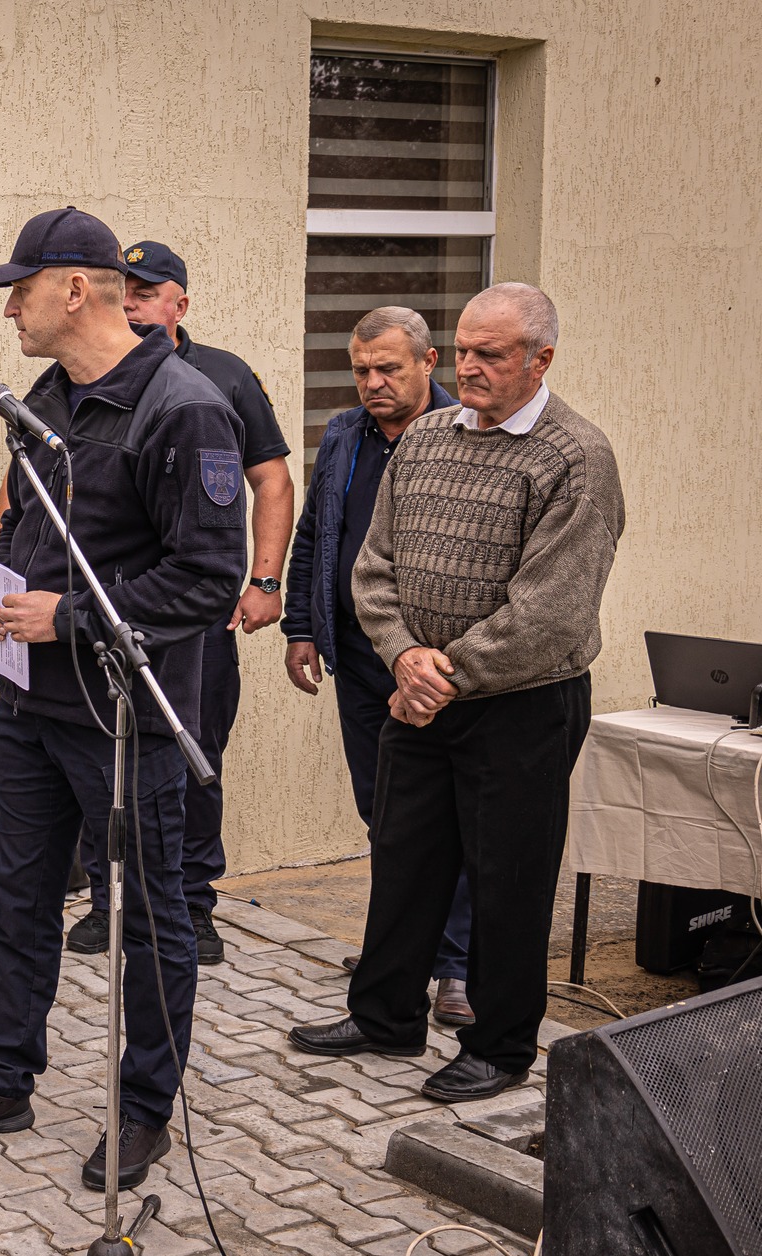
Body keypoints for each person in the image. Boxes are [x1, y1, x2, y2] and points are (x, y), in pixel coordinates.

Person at [0, 207, 244, 1191]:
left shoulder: (181, 409)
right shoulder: (43, 399)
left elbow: (206, 580)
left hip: (126, 721)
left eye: (19, 286)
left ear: (74, 288)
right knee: (16, 899)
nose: (7, 305)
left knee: (148, 918)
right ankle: (1, 1075)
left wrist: (66, 621)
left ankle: (144, 1107)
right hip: (28, 713)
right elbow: (29, 532)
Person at [288, 284, 624, 1102]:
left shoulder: (575, 456)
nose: (468, 367)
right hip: (419, 692)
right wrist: (405, 657)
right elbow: (374, 567)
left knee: (508, 874)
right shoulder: (429, 437)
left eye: (491, 355)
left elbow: (552, 610)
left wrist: (444, 675)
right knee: (405, 857)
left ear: (540, 360)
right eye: (464, 349)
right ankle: (385, 1014)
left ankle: (503, 1045)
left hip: (521, 703)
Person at [60, 241, 293, 967]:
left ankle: (192, 903)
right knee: (102, 756)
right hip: (104, 614)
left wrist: (264, 581)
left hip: (190, 617)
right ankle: (107, 898)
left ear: (180, 303)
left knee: (195, 755)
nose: (131, 302)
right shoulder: (82, 376)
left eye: (147, 290)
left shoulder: (220, 377)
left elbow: (273, 481)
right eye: (123, 289)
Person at [280, 306, 476, 1027]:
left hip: (429, 666)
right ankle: (401, 953)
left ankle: (456, 967)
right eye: (361, 369)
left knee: (445, 817)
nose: (372, 382)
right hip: (358, 661)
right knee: (385, 815)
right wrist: (302, 627)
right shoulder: (343, 434)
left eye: (388, 368)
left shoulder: (467, 436)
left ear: (430, 363)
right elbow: (315, 534)